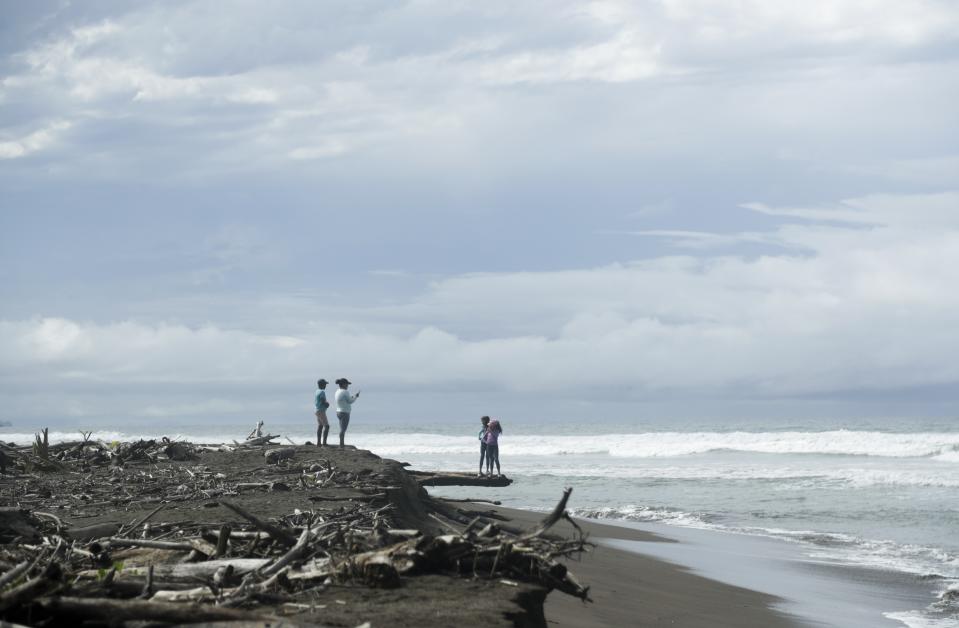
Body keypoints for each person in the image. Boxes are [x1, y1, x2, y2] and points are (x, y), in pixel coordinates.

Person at [333, 377, 360, 447]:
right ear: (344, 384)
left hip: (338, 411)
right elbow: (350, 401)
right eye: (347, 384)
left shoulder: (337, 391)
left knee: (342, 429)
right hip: (344, 412)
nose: (348, 386)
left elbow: (345, 400)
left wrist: (353, 396)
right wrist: (356, 397)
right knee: (343, 430)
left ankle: (341, 443)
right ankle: (341, 445)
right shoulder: (345, 392)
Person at [314, 379, 330, 446]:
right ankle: (324, 443)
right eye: (325, 384)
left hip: (317, 410)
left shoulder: (317, 391)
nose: (326, 385)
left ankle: (318, 443)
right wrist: (327, 404)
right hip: (321, 411)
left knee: (320, 426)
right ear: (322, 385)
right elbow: (323, 401)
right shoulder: (322, 392)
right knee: (327, 426)